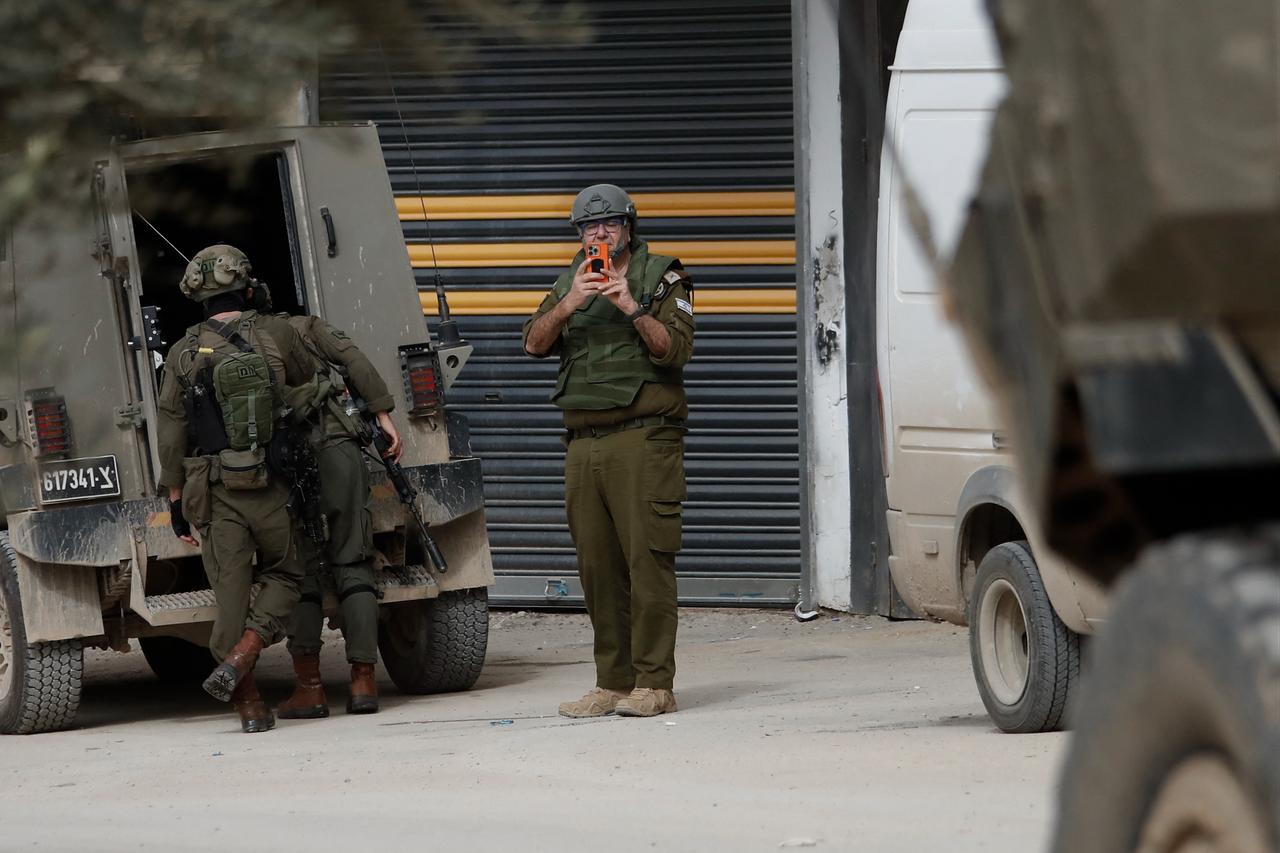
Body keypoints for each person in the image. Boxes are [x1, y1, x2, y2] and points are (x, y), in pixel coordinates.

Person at [522, 184, 696, 718]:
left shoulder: (663, 276)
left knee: (647, 561)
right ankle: (613, 683)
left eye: (609, 224)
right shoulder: (569, 280)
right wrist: (571, 301)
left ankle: (655, 684)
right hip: (583, 442)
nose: (598, 234)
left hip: (642, 438)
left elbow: (675, 351)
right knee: (597, 567)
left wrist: (629, 306)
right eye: (588, 227)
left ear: (628, 227)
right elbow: (533, 343)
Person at [157, 244, 315, 733]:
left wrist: (175, 499)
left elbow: (172, 431)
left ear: (196, 296)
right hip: (274, 482)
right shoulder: (277, 332)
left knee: (230, 594)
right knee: (287, 574)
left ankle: (248, 706)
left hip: (217, 490)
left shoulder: (183, 354)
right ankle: (247, 650)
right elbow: (306, 383)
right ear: (247, 287)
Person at [244, 284, 403, 718]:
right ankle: (363, 682)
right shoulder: (306, 327)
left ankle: (310, 689)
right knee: (354, 559)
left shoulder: (229, 344)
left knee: (301, 571)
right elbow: (354, 361)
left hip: (282, 461)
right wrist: (382, 414)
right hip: (337, 448)